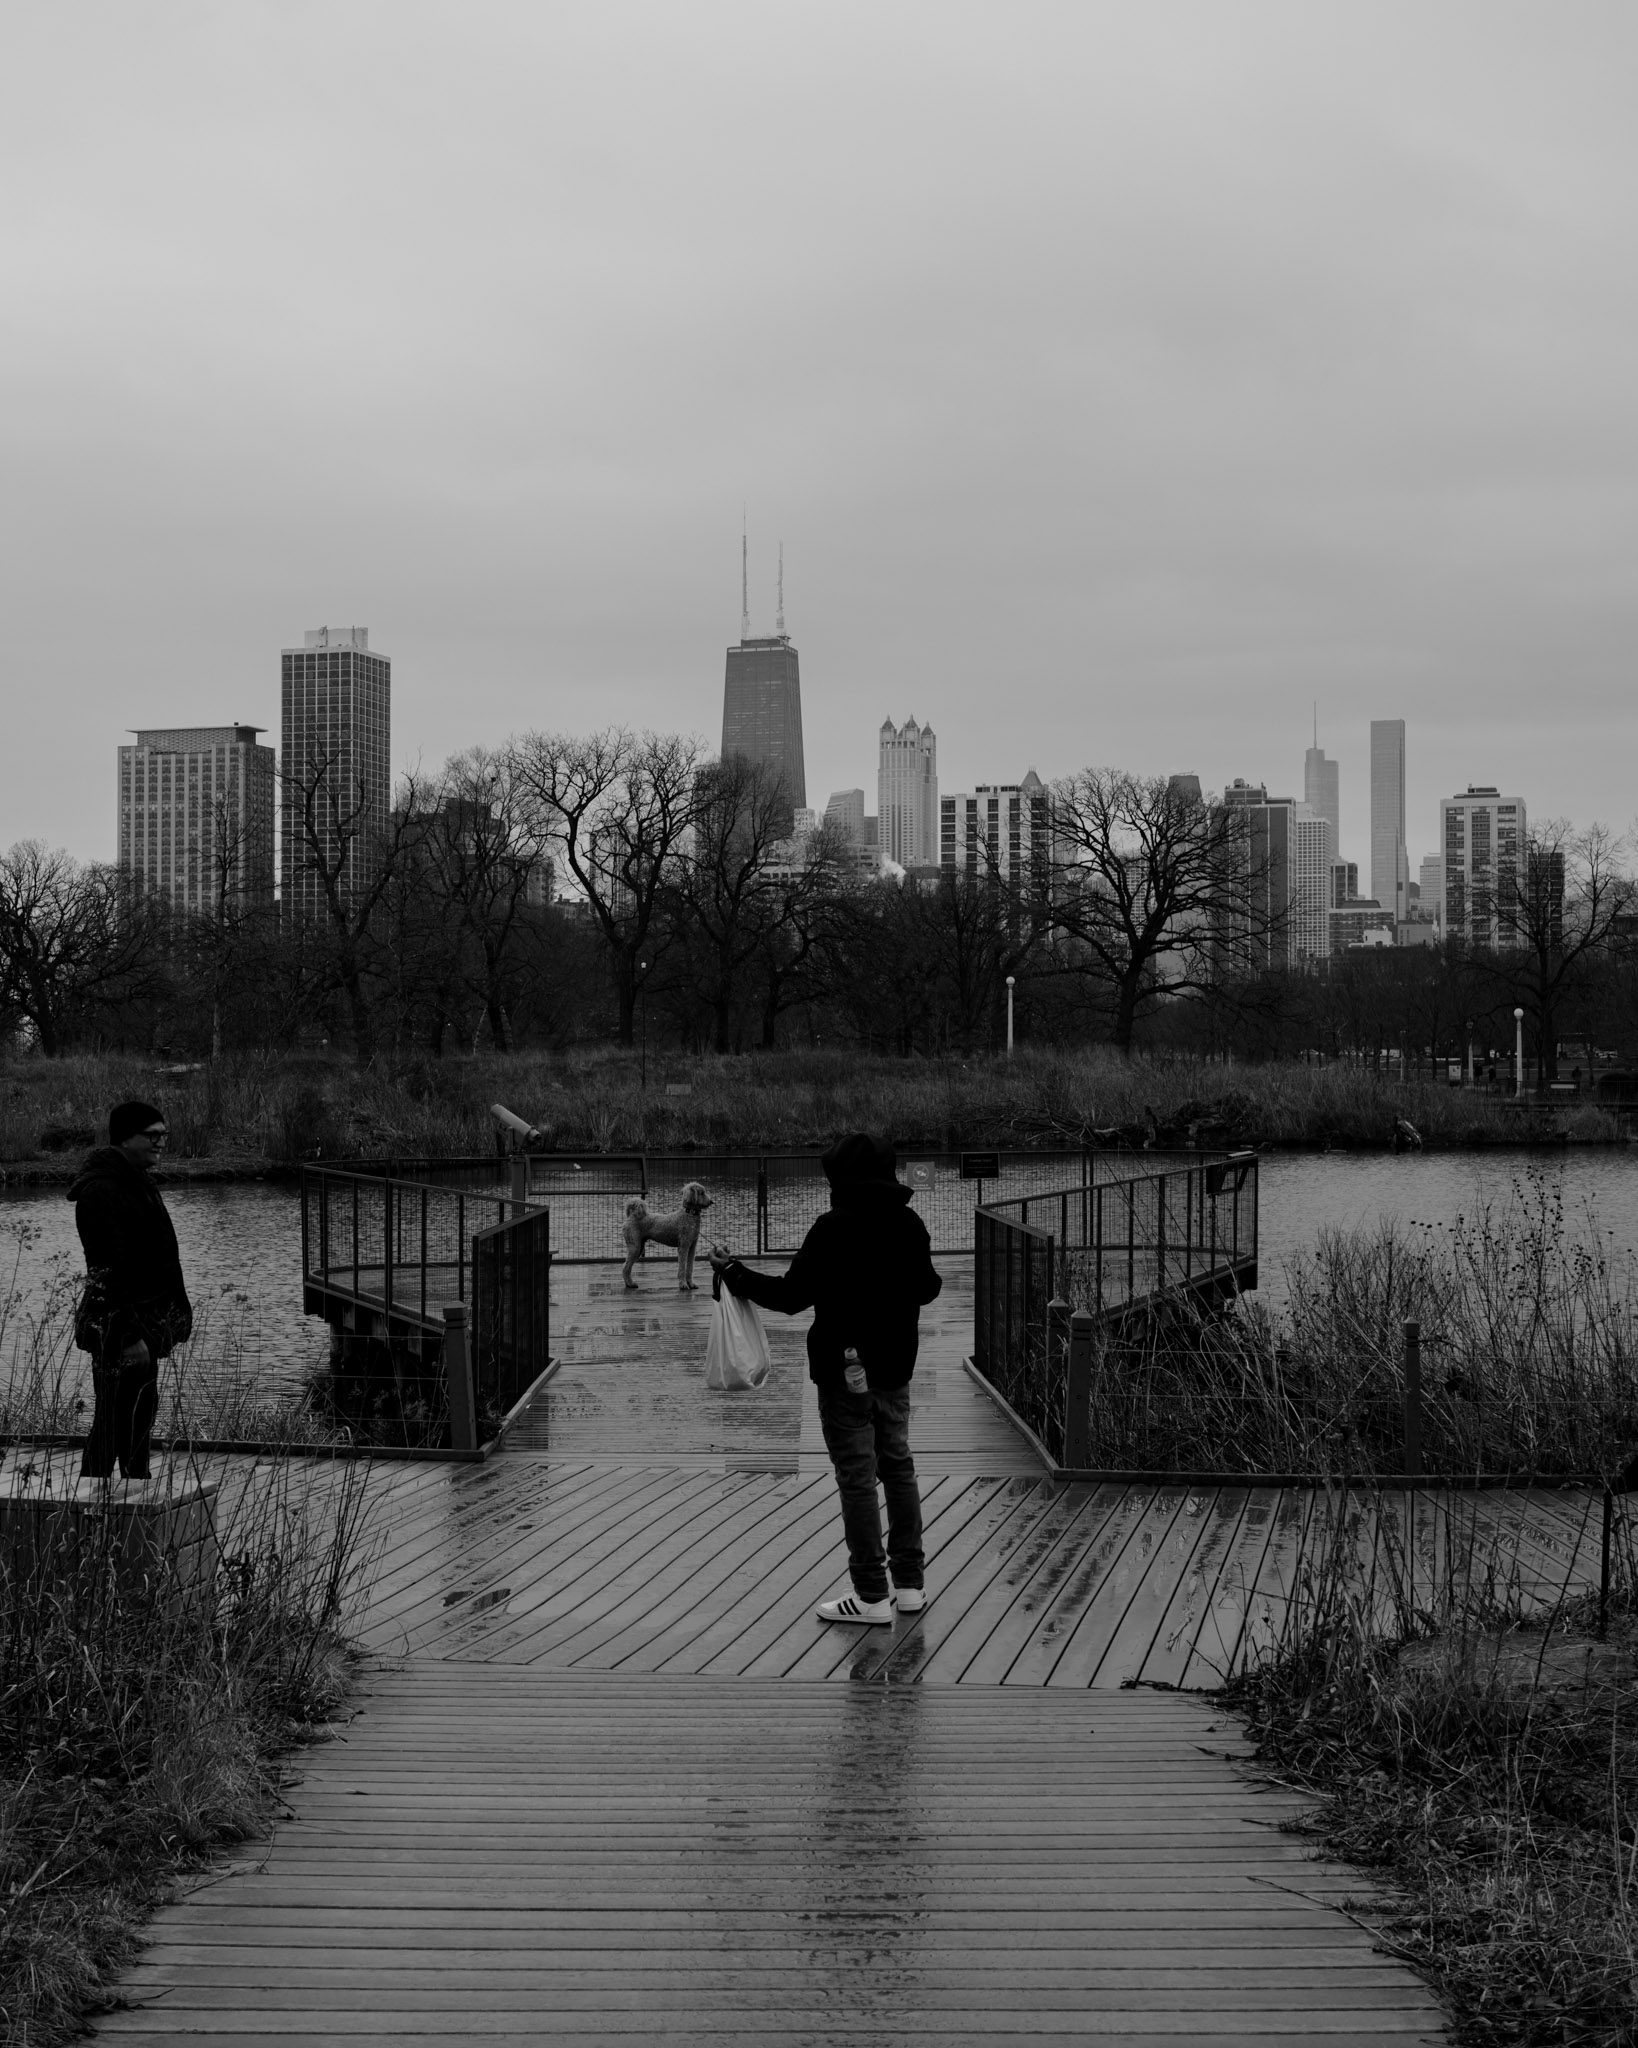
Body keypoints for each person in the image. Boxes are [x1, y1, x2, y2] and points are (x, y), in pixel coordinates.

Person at [710, 1133, 941, 1625]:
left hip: (845, 1373)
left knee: (857, 1479)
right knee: (898, 1468)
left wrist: (733, 1271)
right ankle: (910, 1587)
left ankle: (871, 1596)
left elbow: (791, 1296)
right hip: (896, 1368)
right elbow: (928, 1288)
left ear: (840, 1177)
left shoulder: (832, 1227)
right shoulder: (909, 1222)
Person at [70, 1100, 192, 1480]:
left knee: (138, 1422)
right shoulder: (101, 1191)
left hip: (143, 1328)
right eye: (152, 1135)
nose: (160, 1143)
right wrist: (127, 1335)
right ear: (125, 1138)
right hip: (120, 1331)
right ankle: (90, 1512)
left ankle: (135, 1501)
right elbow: (106, 1272)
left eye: (164, 1136)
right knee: (111, 1424)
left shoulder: (138, 1183)